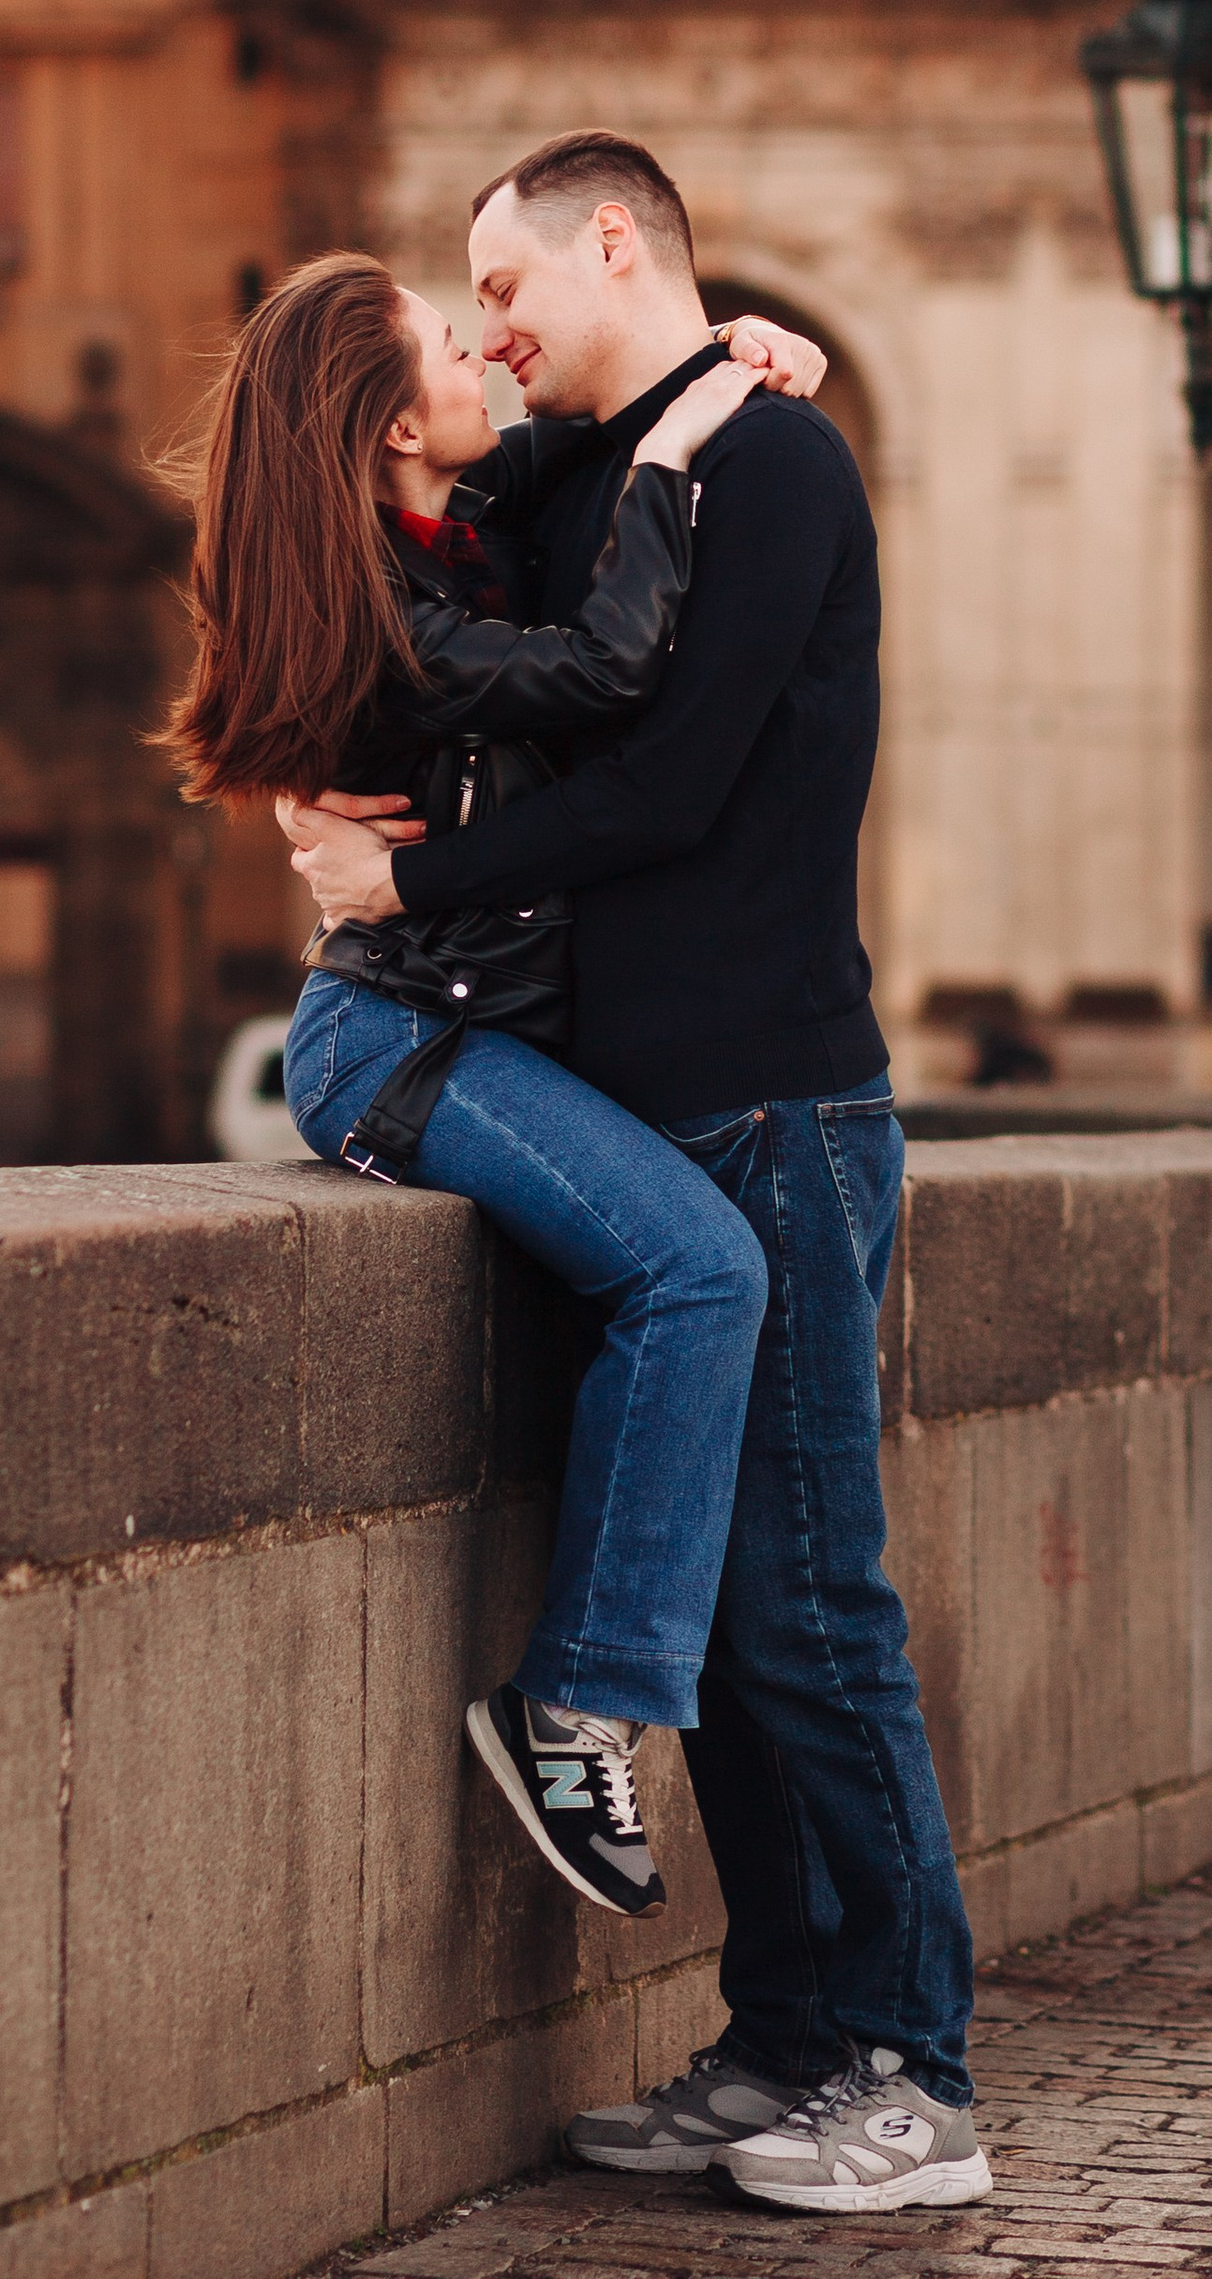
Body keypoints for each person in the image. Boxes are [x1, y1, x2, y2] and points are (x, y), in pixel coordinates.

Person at [286, 132, 990, 2219]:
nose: (483, 328)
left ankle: (915, 2074)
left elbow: (673, 784)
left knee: (813, 1614)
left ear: (617, 244)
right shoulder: (602, 466)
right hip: (632, 1097)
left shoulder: (773, 472)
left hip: (773, 1098)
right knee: (749, 1620)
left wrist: (407, 873)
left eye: (501, 285)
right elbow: (373, 509)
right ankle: (783, 2040)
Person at [161, 250, 823, 1922]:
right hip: (396, 1043)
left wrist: (715, 353)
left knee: (684, 1272)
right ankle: (576, 1703)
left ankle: (584, 1695)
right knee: (700, 1269)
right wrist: (678, 469)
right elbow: (607, 671)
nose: (490, 359)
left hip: (469, 1026)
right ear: (392, 424)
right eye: (457, 343)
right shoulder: (397, 607)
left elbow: (556, 447)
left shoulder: (450, 526)